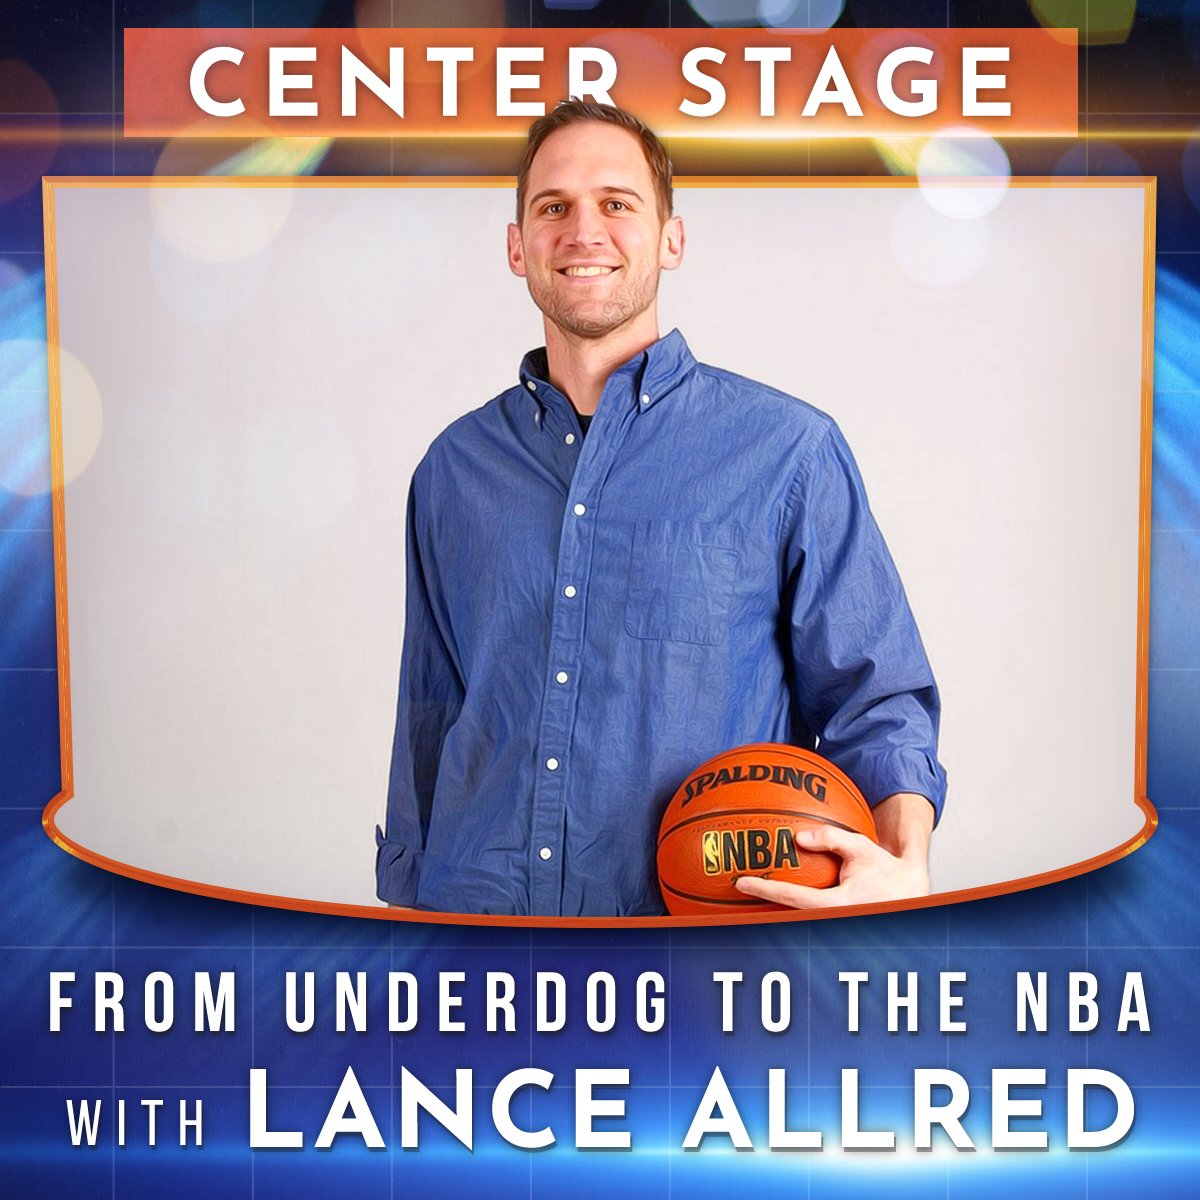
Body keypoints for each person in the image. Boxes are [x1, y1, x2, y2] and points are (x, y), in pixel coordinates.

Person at [376, 99, 946, 918]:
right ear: (517, 247)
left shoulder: (788, 452)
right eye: (553, 208)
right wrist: (407, 908)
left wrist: (904, 866)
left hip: (699, 958)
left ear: (671, 239)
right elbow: (429, 712)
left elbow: (878, 701)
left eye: (617, 203)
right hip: (478, 942)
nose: (584, 231)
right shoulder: (453, 469)